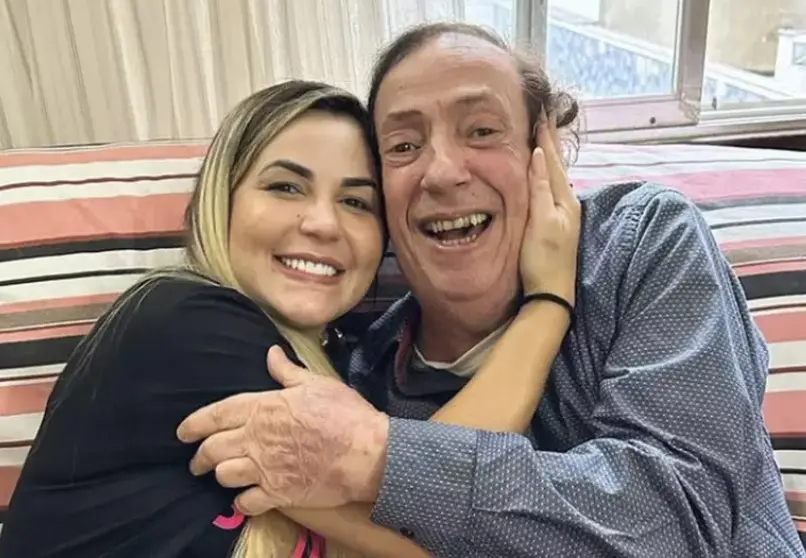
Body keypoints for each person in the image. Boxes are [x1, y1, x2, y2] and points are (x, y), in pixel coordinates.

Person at [176, 22, 806, 558]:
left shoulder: (642, 245)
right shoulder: (362, 376)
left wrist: (378, 457)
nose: (443, 172)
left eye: (481, 131)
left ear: (544, 149)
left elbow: (676, 526)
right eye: (403, 145)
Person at [0, 78, 580, 557]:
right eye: (285, 187)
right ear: (223, 199)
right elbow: (433, 517)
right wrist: (549, 300)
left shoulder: (350, 366)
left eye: (356, 202)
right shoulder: (182, 325)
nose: (323, 224)